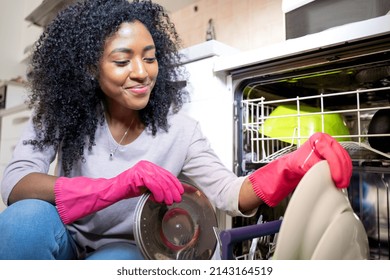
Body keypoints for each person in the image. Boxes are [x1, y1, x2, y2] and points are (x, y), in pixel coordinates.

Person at [0, 0, 352, 260]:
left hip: (127, 251)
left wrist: (287, 167)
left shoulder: (179, 130)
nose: (141, 72)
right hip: (64, 237)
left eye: (150, 58)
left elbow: (229, 192)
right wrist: (112, 187)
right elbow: (16, 183)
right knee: (24, 221)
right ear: (92, 68)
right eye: (122, 61)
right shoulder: (62, 113)